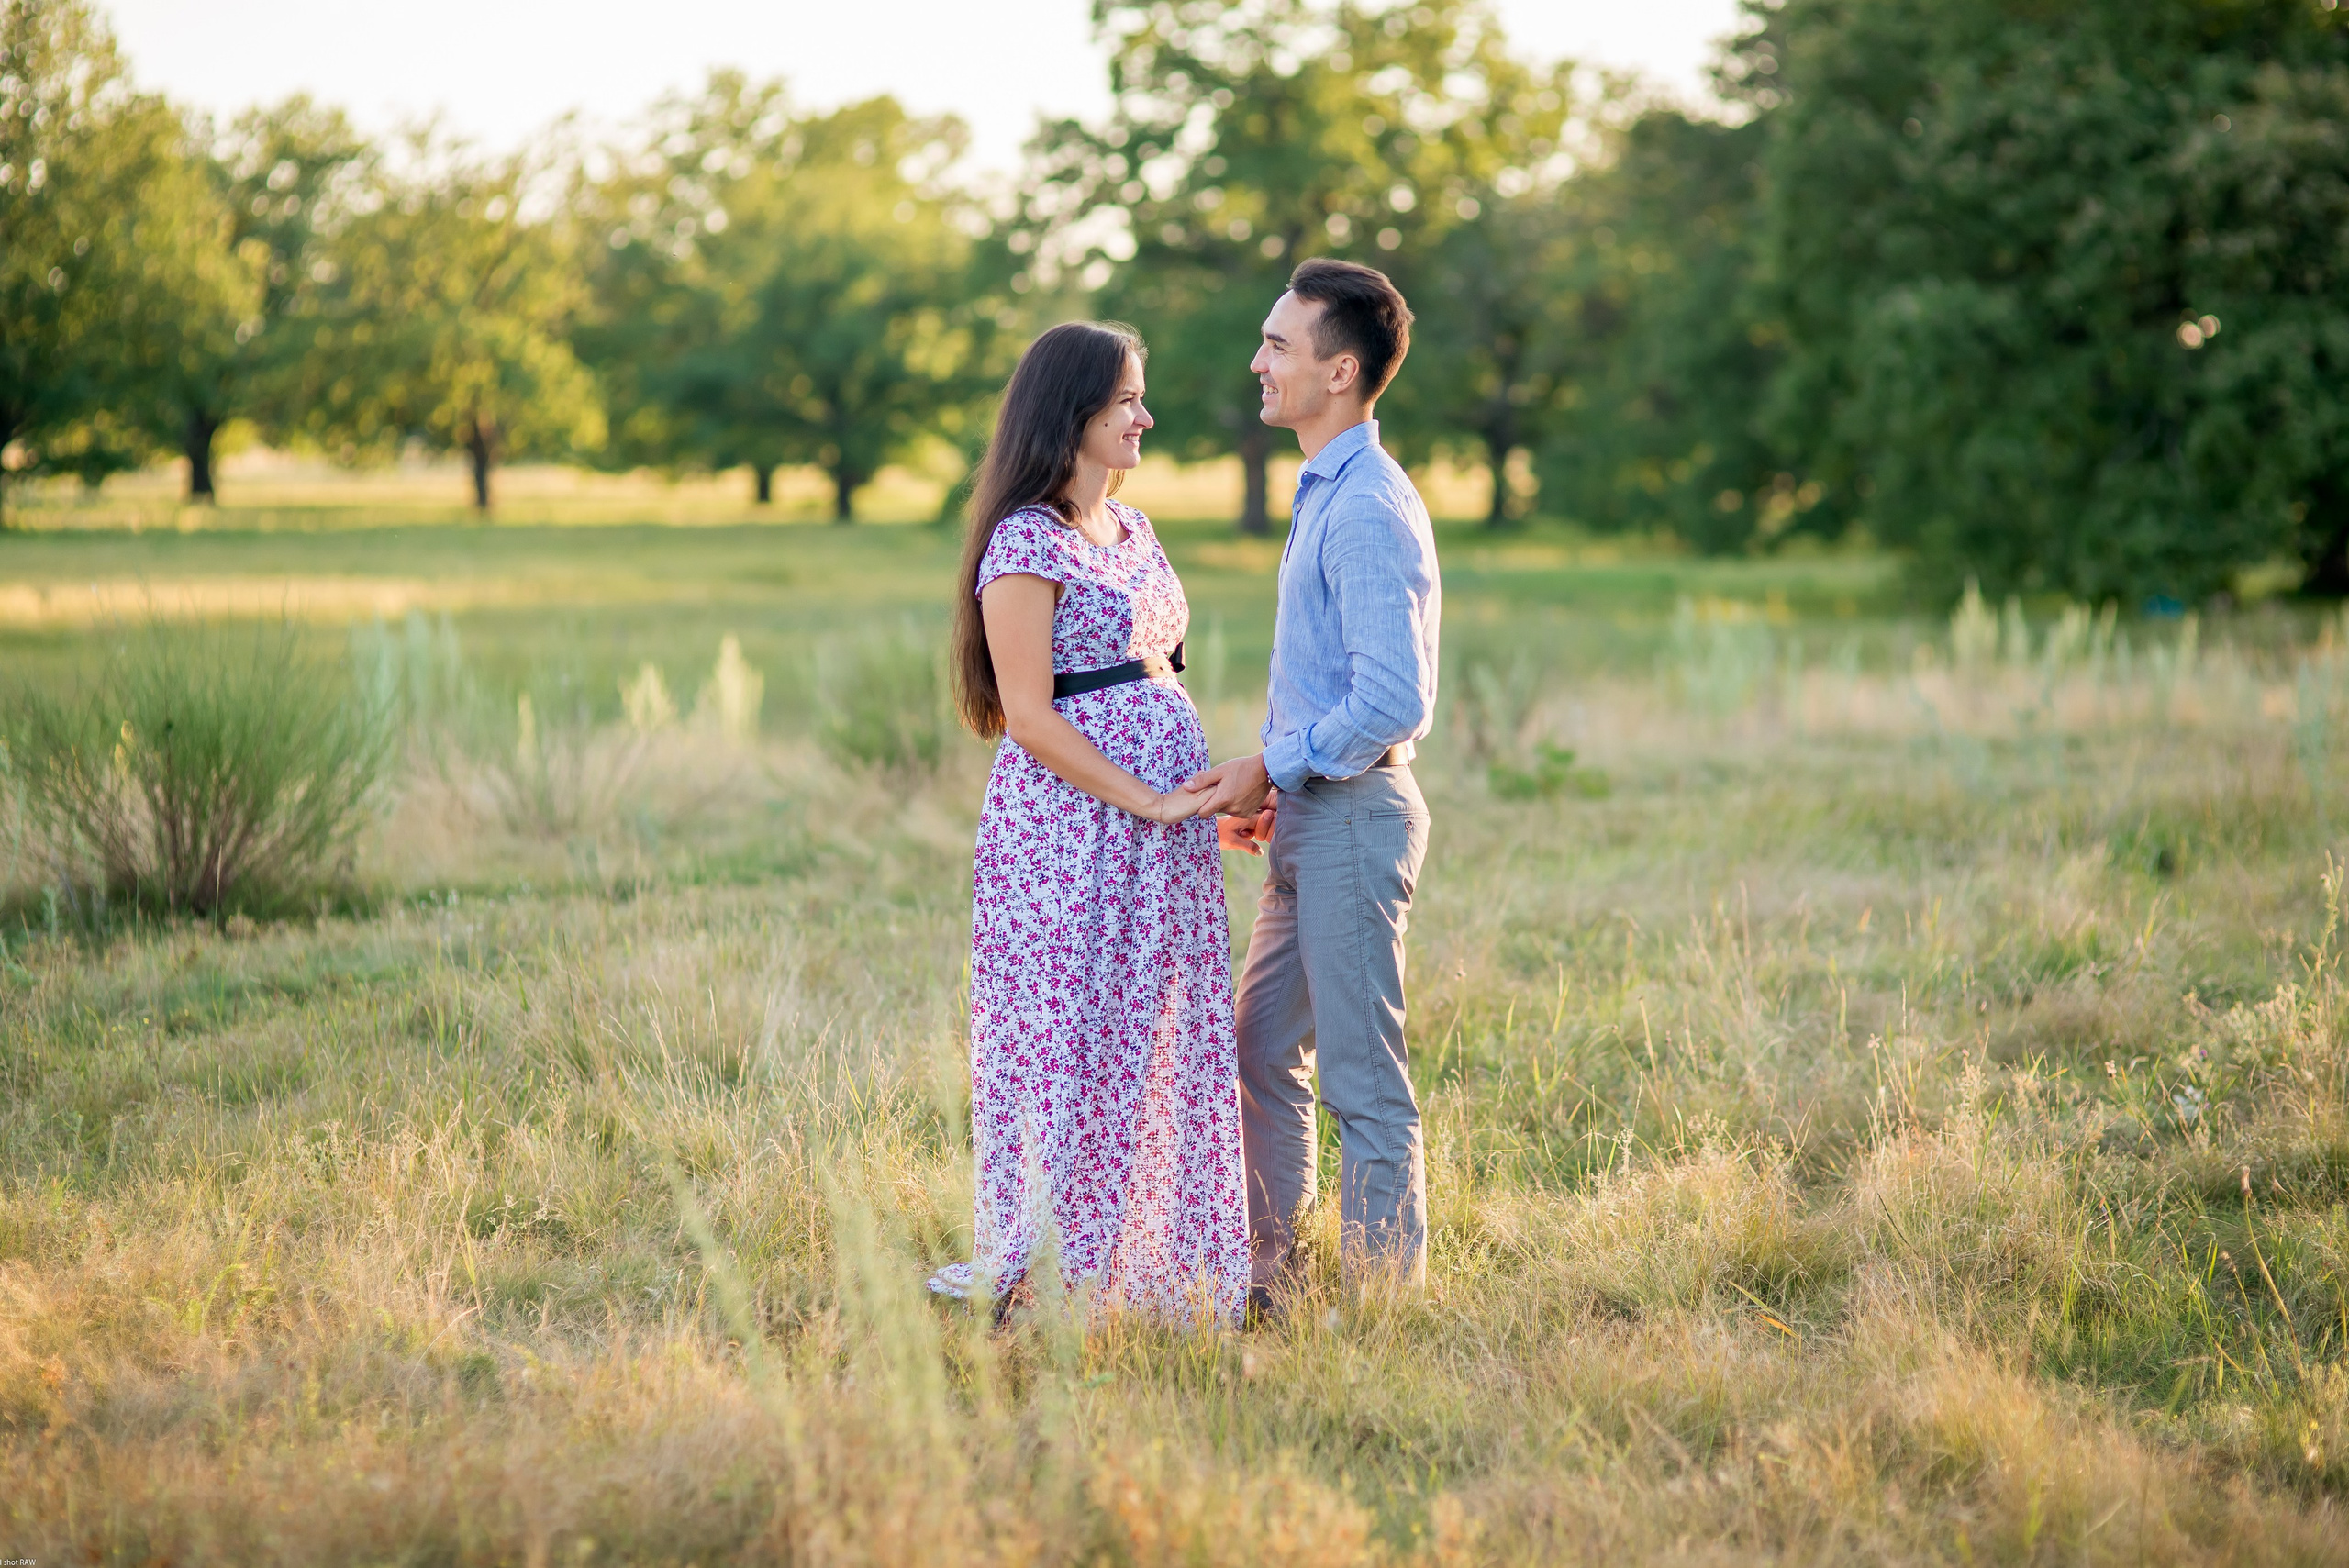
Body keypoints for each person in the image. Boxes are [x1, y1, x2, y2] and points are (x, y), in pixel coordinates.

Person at [931, 320, 1252, 1326]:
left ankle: (1157, 1265)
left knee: (1156, 1030)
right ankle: (1044, 1276)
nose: (1145, 416)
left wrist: (1199, 803)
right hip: (1068, 836)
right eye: (1126, 401)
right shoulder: (1023, 539)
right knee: (1068, 1038)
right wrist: (1152, 797)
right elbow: (1028, 714)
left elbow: (1154, 675)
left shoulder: (1139, 529)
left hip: (1163, 832)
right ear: (1070, 412)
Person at [1184, 260, 1441, 1306]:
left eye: (1278, 344)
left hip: (1352, 818)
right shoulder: (1327, 487)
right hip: (1311, 814)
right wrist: (1279, 788)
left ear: (1339, 371)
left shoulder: (1368, 503)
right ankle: (1270, 1282)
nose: (1257, 359)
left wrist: (1271, 764)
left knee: (1361, 1079)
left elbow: (1393, 696)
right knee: (1256, 1048)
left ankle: (1383, 1305)